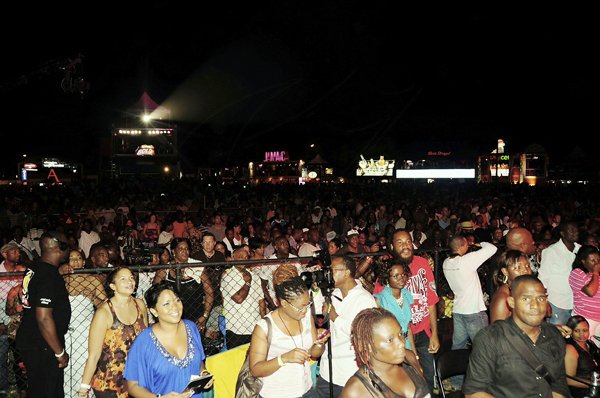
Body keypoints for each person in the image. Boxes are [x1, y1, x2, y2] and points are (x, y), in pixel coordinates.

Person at [463, 275, 570, 398]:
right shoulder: (490, 338)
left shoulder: (554, 335)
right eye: (526, 299)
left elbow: (559, 384)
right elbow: (474, 393)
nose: (535, 305)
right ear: (511, 302)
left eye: (540, 299)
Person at [249, 264, 329, 398]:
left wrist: (320, 343)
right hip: (277, 394)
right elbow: (256, 369)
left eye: (307, 304)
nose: (305, 310)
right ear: (284, 303)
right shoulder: (264, 327)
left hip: (306, 390)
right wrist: (284, 358)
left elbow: (314, 354)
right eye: (300, 307)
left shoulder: (305, 314)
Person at [124, 282, 213, 397]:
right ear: (154, 311)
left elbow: (199, 363)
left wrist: (204, 374)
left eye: (177, 300)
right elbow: (132, 386)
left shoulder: (191, 327)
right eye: (166, 304)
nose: (175, 307)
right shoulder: (144, 341)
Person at [16, 231, 71, 398]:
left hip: (32, 340)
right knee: (49, 392)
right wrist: (59, 353)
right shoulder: (48, 275)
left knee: (37, 390)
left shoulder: (35, 268)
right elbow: (43, 317)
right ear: (58, 247)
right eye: (67, 245)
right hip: (43, 345)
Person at [78, 267, 147, 397]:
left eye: (131, 278)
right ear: (113, 286)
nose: (130, 282)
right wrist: (83, 389)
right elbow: (93, 355)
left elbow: (145, 342)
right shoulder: (104, 313)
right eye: (123, 279)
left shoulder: (140, 305)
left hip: (136, 379)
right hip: (109, 383)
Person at [316, 255, 377, 397]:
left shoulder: (364, 299)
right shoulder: (333, 293)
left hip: (349, 373)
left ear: (347, 272)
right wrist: (315, 289)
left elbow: (361, 333)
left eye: (332, 270)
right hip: (328, 370)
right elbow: (317, 311)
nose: (329, 274)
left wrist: (335, 317)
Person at [340, 307, 430, 398]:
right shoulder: (356, 391)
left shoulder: (410, 358)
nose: (402, 343)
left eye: (400, 334)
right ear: (367, 346)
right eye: (390, 340)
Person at [59, 249, 107, 397]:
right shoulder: (62, 279)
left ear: (84, 261)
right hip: (65, 331)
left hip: (86, 331)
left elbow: (105, 305)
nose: (75, 262)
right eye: (71, 259)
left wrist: (92, 297)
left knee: (84, 365)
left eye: (78, 258)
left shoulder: (92, 280)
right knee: (66, 370)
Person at [374, 260, 416, 354]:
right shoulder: (380, 300)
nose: (401, 278)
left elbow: (408, 328)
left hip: (407, 344)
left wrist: (415, 354)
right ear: (386, 278)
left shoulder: (406, 295)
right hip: (391, 348)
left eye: (403, 274)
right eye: (396, 276)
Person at [489, 250, 532, 323]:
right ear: (505, 271)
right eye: (518, 267)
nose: (525, 270)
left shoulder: (522, 290)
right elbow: (497, 331)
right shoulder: (503, 298)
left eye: (527, 266)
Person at [569, 245, 600, 342]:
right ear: (583, 261)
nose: (597, 263)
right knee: (586, 350)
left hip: (598, 319)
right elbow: (591, 292)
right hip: (586, 319)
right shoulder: (577, 273)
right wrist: (595, 273)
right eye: (593, 260)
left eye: (598, 260)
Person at [564, 315, 600, 398]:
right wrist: (594, 384)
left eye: (585, 330)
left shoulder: (589, 343)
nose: (582, 334)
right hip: (584, 391)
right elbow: (569, 380)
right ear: (571, 332)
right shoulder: (570, 349)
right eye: (577, 331)